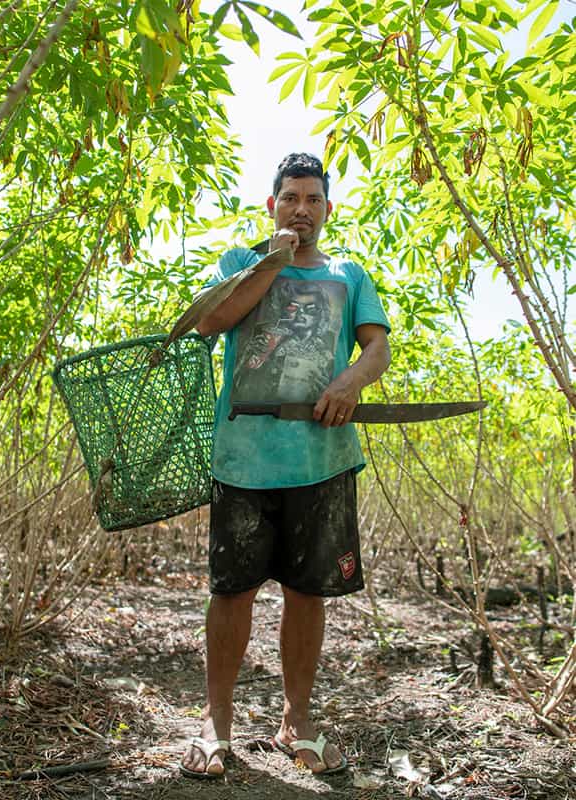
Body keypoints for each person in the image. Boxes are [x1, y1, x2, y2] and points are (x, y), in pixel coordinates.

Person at [180, 153, 391, 779]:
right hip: (243, 459)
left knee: (308, 593)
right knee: (231, 591)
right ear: (272, 205)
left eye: (313, 200)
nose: (302, 209)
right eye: (290, 198)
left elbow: (376, 345)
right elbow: (210, 322)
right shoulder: (240, 264)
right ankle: (217, 722)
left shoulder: (348, 273)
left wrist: (350, 383)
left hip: (323, 462)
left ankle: (296, 721)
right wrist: (271, 257)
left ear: (329, 209)